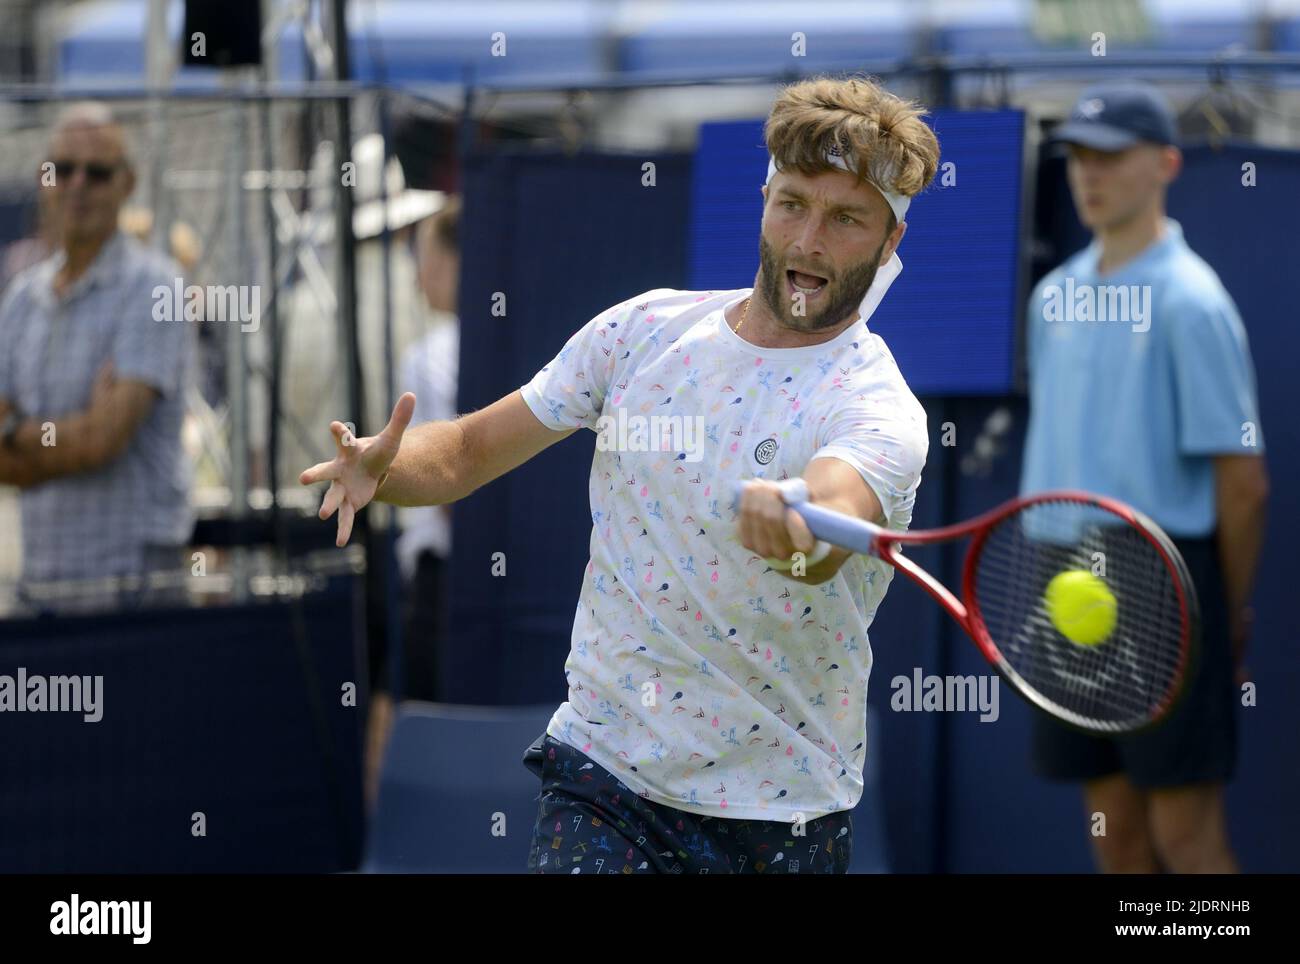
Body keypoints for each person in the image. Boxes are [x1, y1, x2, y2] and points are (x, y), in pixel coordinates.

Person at [301, 75, 939, 874]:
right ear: (765, 198)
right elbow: (464, 452)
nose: (809, 239)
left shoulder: (877, 407)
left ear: (890, 243)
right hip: (606, 779)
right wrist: (385, 467)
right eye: (793, 203)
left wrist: (799, 525)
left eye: (846, 218)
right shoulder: (638, 332)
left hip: (784, 815)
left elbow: (830, 523)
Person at [1021, 82, 1269, 873]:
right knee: (1115, 831)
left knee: (1185, 840)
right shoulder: (1053, 298)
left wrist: (1222, 612)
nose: (1090, 175)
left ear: (1164, 164)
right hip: (1062, 579)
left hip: (1166, 581)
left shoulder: (1193, 303)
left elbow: (1244, 482)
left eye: (1111, 158)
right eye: (1080, 160)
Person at [0, 102, 195, 611]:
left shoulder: (157, 288)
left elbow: (102, 442)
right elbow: (86, 443)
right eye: (62, 169)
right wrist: (69, 434)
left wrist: (16, 433)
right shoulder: (22, 298)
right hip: (43, 589)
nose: (77, 184)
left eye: (97, 172)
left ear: (127, 184)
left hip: (132, 593)